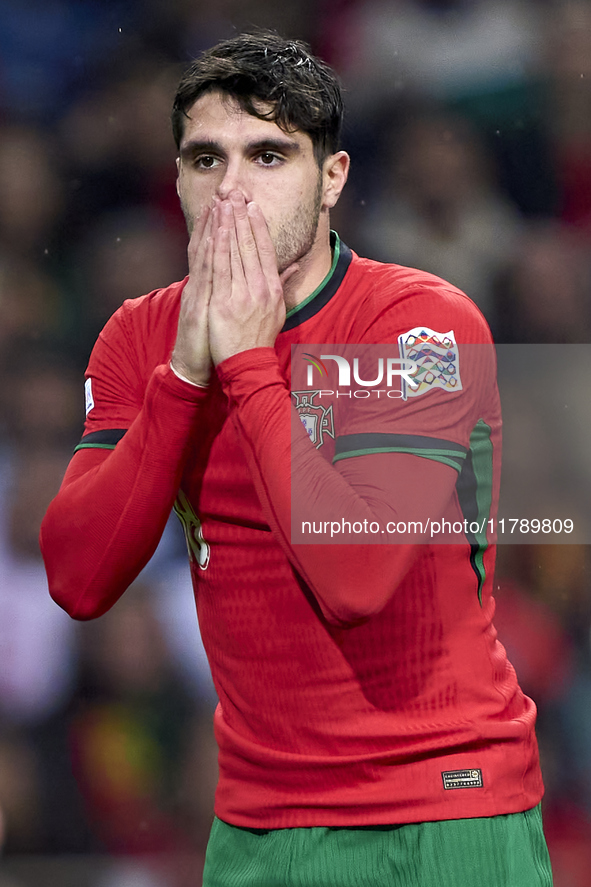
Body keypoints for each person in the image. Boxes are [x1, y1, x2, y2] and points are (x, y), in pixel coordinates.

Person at [40, 32, 553, 887]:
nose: (232, 189)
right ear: (175, 180)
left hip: (443, 809)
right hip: (259, 826)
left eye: (269, 155)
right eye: (206, 159)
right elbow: (78, 577)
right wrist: (187, 374)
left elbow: (354, 576)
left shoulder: (419, 326)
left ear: (332, 179)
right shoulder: (140, 337)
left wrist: (242, 364)